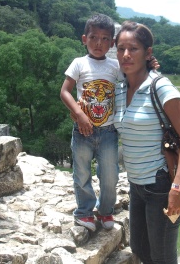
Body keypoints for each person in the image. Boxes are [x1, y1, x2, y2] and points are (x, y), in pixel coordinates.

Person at [113, 21, 180, 263]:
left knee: (162, 256)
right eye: (121, 49)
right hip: (137, 185)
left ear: (148, 53)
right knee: (140, 248)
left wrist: (178, 187)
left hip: (161, 185)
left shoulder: (159, 86)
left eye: (133, 49)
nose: (126, 55)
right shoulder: (121, 88)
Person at [60, 13, 121, 231]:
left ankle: (105, 211)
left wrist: (150, 64)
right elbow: (65, 91)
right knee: (82, 172)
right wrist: (78, 113)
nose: (99, 43)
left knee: (110, 175)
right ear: (84, 39)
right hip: (82, 130)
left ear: (112, 43)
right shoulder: (78, 63)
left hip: (108, 131)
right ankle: (84, 212)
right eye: (94, 37)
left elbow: (134, 78)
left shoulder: (115, 67)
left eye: (105, 39)